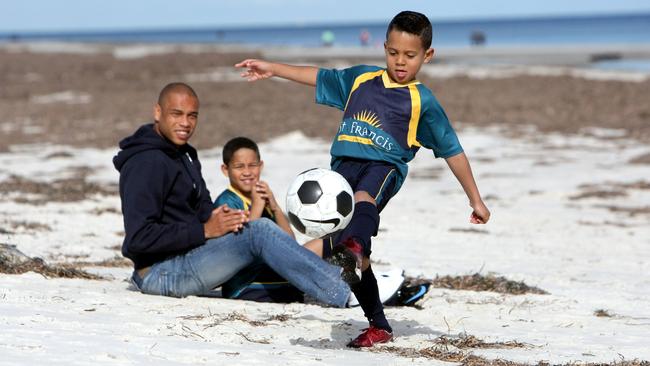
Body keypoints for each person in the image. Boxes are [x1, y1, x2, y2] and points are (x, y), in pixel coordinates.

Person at [234, 11, 491, 348]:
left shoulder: (422, 102)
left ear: (427, 55)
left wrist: (475, 198)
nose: (400, 62)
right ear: (384, 47)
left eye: (410, 56)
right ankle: (378, 323)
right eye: (394, 53)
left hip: (383, 168)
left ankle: (355, 247)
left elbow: (452, 151)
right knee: (349, 256)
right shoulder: (360, 80)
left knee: (364, 201)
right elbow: (319, 76)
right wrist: (273, 69)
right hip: (341, 171)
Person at [112, 82, 350, 309]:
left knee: (266, 234)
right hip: (159, 273)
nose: (185, 123)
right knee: (260, 231)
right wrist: (205, 230)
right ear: (157, 112)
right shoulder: (145, 162)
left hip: (190, 255)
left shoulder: (184, 154)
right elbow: (138, 238)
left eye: (192, 115)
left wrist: (224, 218)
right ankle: (343, 292)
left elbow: (203, 209)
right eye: (177, 114)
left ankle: (350, 278)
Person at [213, 136, 429, 307]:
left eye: (252, 165)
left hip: (277, 274)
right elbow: (241, 248)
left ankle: (366, 275)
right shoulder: (227, 201)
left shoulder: (260, 194)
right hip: (249, 286)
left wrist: (275, 206)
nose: (247, 172)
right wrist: (258, 206)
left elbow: (287, 240)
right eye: (239, 167)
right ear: (226, 170)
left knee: (333, 239)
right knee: (314, 263)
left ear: (261, 165)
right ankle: (379, 292)